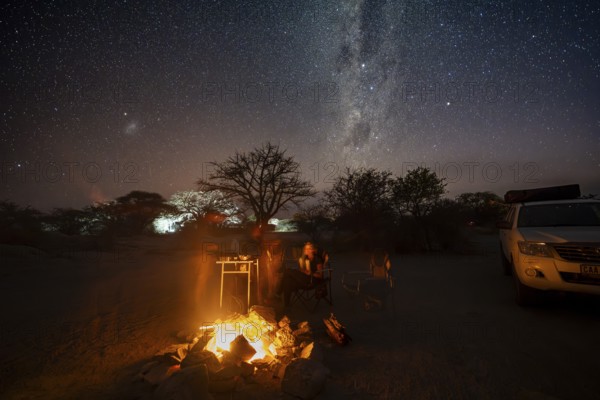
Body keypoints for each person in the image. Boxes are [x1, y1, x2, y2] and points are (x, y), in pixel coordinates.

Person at [279, 242, 326, 308]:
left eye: (308, 248)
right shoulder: (305, 259)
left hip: (313, 281)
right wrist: (302, 270)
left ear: (312, 250)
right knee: (287, 281)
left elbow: (320, 275)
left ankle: (278, 293)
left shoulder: (317, 259)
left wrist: (310, 273)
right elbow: (304, 272)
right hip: (305, 279)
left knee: (288, 271)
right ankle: (286, 306)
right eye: (305, 248)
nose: (306, 250)